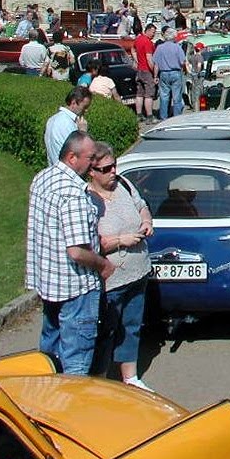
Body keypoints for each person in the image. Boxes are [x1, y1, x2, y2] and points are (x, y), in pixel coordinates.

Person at [25, 131, 113, 374]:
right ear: (72, 157)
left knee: (49, 355)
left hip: (50, 283)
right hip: (76, 288)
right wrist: (103, 265)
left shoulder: (42, 178)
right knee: (76, 360)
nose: (93, 163)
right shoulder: (73, 193)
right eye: (90, 157)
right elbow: (76, 251)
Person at [87, 141, 154, 390]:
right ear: (91, 172)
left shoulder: (124, 184)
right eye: (105, 169)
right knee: (106, 331)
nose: (112, 172)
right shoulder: (89, 199)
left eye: (113, 166)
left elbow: (141, 206)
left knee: (132, 326)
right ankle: (100, 380)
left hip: (138, 272)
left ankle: (130, 377)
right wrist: (119, 241)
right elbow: (88, 244)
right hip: (111, 279)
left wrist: (146, 221)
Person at [45, 85, 91, 165]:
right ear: (73, 103)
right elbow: (78, 153)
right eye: (85, 107)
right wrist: (83, 133)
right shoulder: (67, 123)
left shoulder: (52, 119)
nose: (86, 110)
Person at [153, 27, 186, 120]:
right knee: (177, 97)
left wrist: (155, 76)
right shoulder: (177, 47)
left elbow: (156, 64)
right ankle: (177, 117)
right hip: (175, 72)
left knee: (164, 97)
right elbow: (183, 62)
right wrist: (184, 69)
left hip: (163, 73)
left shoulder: (160, 48)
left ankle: (163, 117)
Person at [133, 22, 157, 123]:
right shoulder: (148, 42)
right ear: (147, 30)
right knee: (149, 95)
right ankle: (150, 116)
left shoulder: (138, 39)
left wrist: (136, 60)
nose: (154, 34)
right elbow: (149, 58)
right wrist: (154, 72)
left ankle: (139, 115)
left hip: (139, 70)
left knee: (139, 94)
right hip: (147, 71)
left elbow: (133, 49)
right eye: (153, 32)